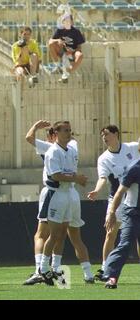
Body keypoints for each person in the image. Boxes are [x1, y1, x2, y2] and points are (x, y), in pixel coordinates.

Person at [24, 120, 94, 285]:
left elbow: (30, 138)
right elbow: (55, 175)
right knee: (55, 234)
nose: (69, 133)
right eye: (65, 131)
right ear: (55, 135)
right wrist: (77, 178)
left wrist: (37, 127)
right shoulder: (51, 150)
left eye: (70, 130)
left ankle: (51, 269)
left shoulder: (69, 148)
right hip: (56, 192)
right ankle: (45, 269)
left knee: (61, 234)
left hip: (67, 193)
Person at [87, 125, 140, 281]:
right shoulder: (104, 158)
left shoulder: (131, 147)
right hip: (117, 197)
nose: (104, 137)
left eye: (107, 134)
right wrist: (97, 190)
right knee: (111, 232)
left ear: (116, 134)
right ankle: (105, 268)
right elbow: (102, 178)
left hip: (134, 196)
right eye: (102, 135)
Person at [104, 147, 140, 289]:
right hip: (132, 212)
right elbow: (119, 192)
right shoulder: (134, 168)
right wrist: (112, 212)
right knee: (125, 244)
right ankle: (111, 276)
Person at [48, 13, 85, 83]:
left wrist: (71, 52)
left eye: (69, 20)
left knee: (80, 55)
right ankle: (57, 65)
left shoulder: (76, 31)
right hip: (62, 50)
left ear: (72, 22)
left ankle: (69, 71)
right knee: (51, 44)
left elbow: (79, 47)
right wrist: (58, 40)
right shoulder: (60, 30)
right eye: (66, 20)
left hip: (73, 52)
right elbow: (50, 41)